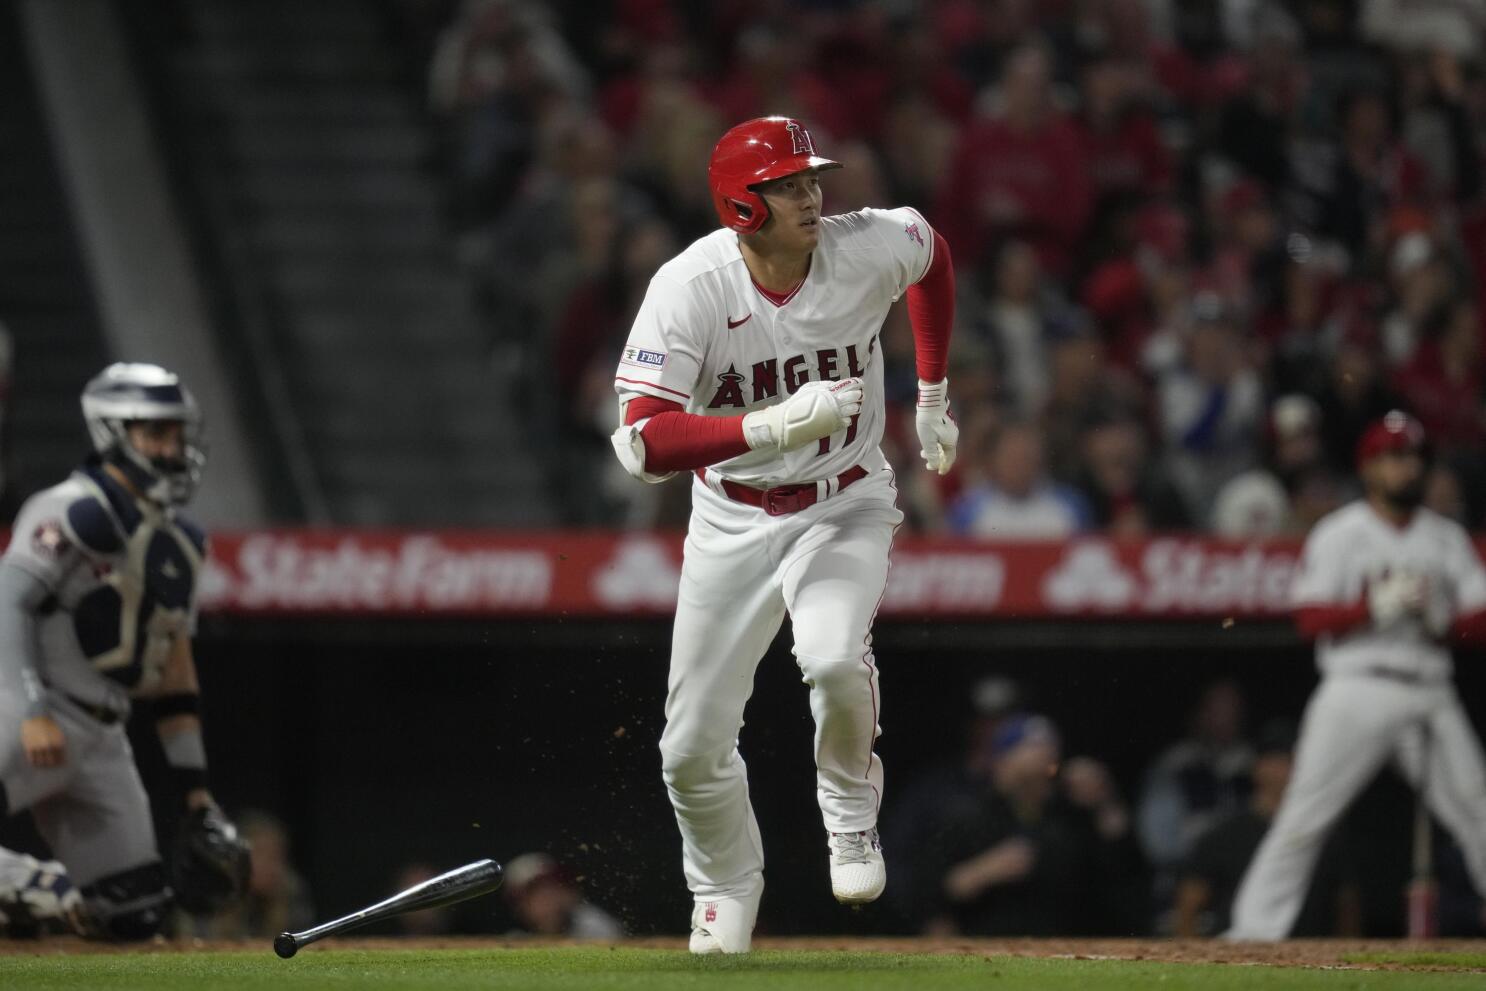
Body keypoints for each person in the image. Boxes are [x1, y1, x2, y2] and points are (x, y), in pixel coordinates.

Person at [608, 116, 956, 953]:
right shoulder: (691, 285)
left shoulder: (864, 244)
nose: (812, 195)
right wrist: (767, 427)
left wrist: (934, 391)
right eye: (789, 185)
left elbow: (933, 254)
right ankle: (725, 883)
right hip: (730, 515)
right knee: (689, 748)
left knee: (833, 656)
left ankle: (848, 809)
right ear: (743, 207)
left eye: (812, 180)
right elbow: (642, 441)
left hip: (844, 500)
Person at [0, 363, 246, 939]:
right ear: (113, 432)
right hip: (35, 709)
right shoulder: (70, 510)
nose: (170, 447)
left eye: (175, 434)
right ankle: (29, 887)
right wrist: (30, 709)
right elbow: (5, 603)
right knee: (54, 898)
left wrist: (195, 792)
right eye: (154, 433)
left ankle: (39, 905)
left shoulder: (182, 538)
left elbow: (174, 666)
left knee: (136, 918)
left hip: (104, 735)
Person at [1226, 411, 1486, 939]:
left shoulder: (1445, 538)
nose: (1405, 468)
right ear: (1370, 467)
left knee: (1479, 811)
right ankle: (1251, 933)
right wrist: (1371, 608)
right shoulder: (1342, 533)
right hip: (1357, 688)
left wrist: (1444, 624)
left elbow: (1479, 619)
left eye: (1413, 457)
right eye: (1393, 457)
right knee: (1305, 818)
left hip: (1429, 688)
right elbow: (1310, 618)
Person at [1174, 722, 1361, 938]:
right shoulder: (1223, 835)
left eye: (1292, 761)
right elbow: (1188, 904)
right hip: (1238, 958)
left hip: (1310, 957)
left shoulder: (1324, 834)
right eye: (1277, 761)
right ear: (1258, 767)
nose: (1285, 770)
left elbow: (1347, 903)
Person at [502, 853, 623, 939]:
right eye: (536, 895)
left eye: (553, 889)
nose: (549, 900)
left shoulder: (594, 927)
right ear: (520, 905)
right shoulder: (517, 939)